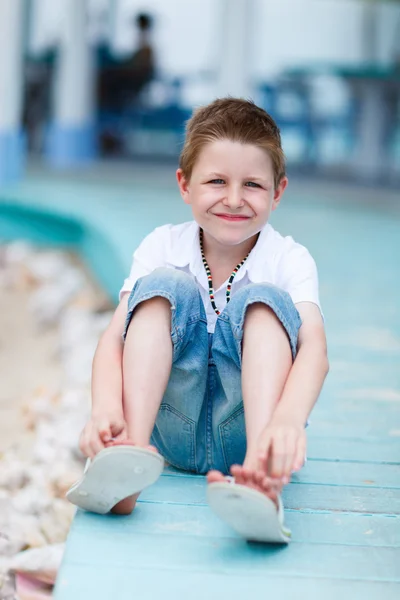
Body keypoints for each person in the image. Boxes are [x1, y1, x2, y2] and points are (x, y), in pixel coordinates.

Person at [67, 98, 328, 543]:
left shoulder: (289, 258)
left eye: (252, 185)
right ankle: (127, 456)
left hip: (249, 434)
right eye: (216, 181)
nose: (233, 199)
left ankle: (262, 482)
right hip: (167, 432)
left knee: (263, 301)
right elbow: (114, 340)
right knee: (164, 286)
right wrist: (106, 408)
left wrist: (286, 421)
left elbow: (315, 352)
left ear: (278, 192)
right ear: (185, 185)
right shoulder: (161, 246)